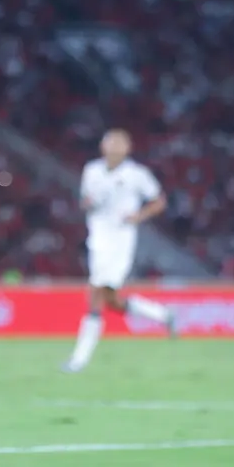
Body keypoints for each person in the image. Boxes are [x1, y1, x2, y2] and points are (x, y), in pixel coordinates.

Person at [64, 128, 176, 373]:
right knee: (111, 300)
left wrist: (138, 216)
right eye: (110, 143)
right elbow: (85, 201)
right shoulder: (91, 171)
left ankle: (79, 359)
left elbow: (159, 201)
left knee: (96, 293)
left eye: (119, 144)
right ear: (102, 147)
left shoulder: (137, 175)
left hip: (121, 241)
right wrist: (87, 204)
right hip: (97, 238)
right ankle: (162, 315)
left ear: (128, 148)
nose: (114, 148)